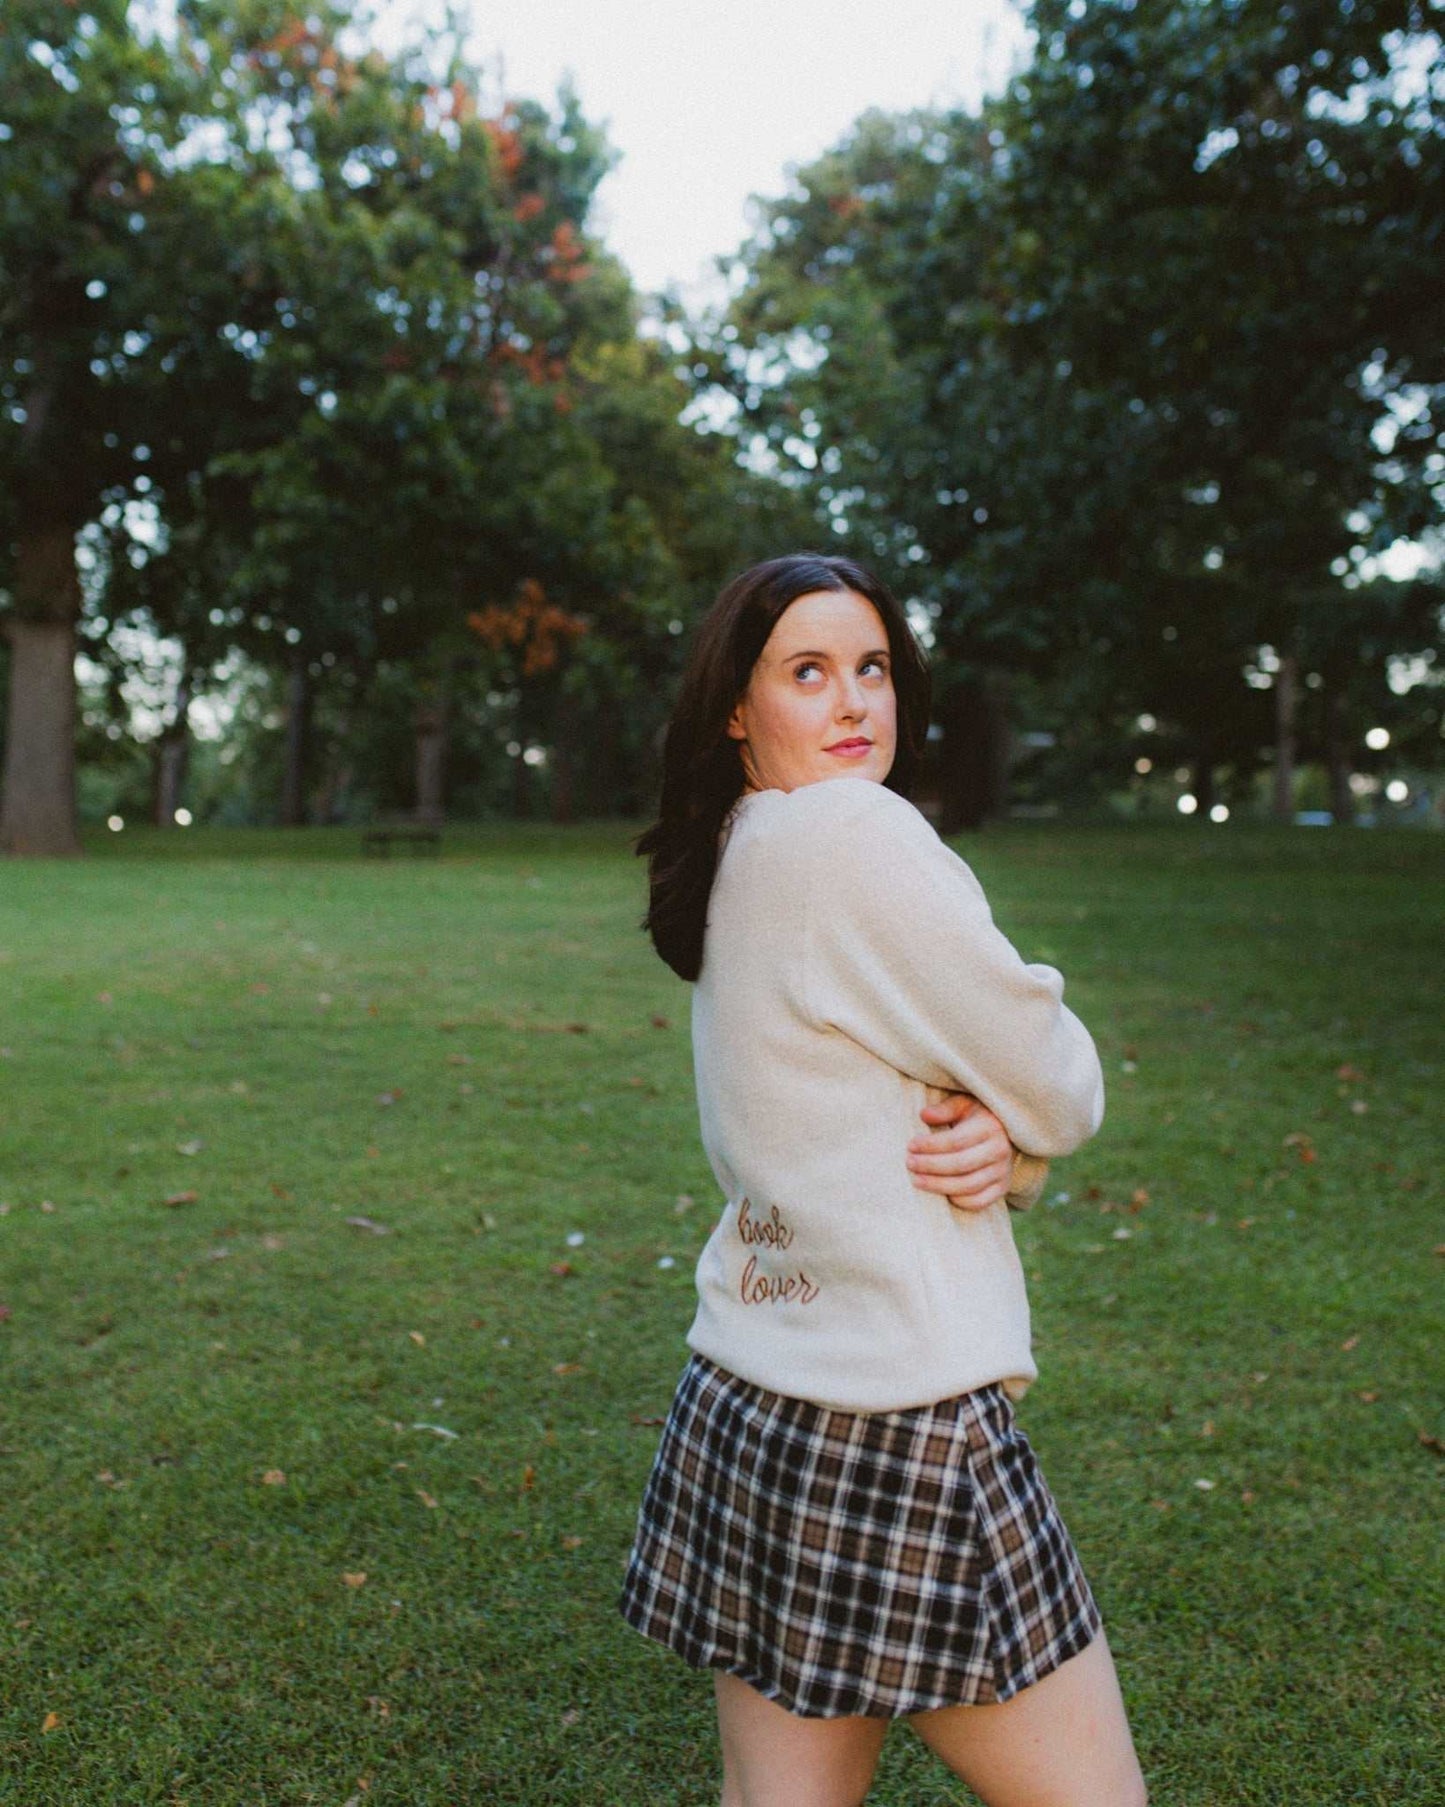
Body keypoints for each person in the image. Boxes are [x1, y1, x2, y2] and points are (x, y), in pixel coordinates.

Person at [621, 553, 1147, 1807]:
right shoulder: (855, 834)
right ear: (737, 707)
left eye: (872, 669)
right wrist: (1025, 1127)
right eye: (808, 672)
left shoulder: (741, 841)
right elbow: (1059, 1077)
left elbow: (850, 1105)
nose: (855, 702)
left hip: (750, 1399)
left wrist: (998, 1148)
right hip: (898, 1425)